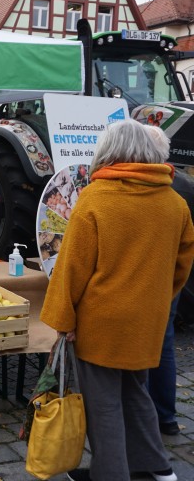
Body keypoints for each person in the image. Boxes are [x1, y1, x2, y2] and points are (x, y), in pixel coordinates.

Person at [39, 120, 194, 481]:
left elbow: (71, 269)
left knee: (103, 403)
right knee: (136, 392)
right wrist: (155, 298)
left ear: (110, 151)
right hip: (146, 320)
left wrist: (64, 321)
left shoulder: (96, 198)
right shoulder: (174, 202)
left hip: (101, 323)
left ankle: (110, 474)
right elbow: (183, 265)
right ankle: (156, 466)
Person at [146, 125, 194, 437]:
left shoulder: (150, 187)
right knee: (164, 341)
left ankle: (146, 415)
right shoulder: (186, 185)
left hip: (149, 277)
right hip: (172, 276)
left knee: (148, 343)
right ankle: (165, 416)